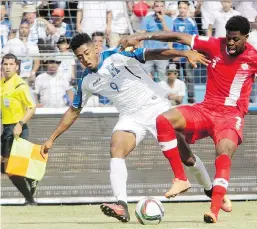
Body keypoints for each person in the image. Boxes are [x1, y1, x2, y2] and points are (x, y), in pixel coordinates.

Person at [118, 15, 257, 223]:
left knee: (223, 153)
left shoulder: (256, 59)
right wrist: (142, 35)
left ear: (246, 37)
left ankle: (214, 210)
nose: (231, 43)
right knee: (163, 120)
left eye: (236, 39)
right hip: (206, 109)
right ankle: (180, 178)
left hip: (230, 117)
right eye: (228, 38)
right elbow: (178, 36)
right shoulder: (214, 45)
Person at [40, 33, 232, 223]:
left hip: (156, 107)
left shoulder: (117, 55)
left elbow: (154, 53)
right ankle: (121, 206)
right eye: (80, 57)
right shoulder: (87, 81)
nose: (85, 59)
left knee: (186, 157)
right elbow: (73, 111)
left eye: (87, 53)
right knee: (116, 149)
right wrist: (51, 138)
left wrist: (184, 54)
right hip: (130, 116)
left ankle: (210, 190)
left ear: (96, 48)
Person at [1, 53, 38, 205]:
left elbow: (32, 107)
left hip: (17, 129)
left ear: (17, 67)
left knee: (10, 168)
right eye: (5, 64)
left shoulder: (20, 85)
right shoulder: (2, 83)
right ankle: (31, 177)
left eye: (11, 64)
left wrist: (20, 124)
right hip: (7, 129)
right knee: (5, 168)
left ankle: (30, 200)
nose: (8, 67)